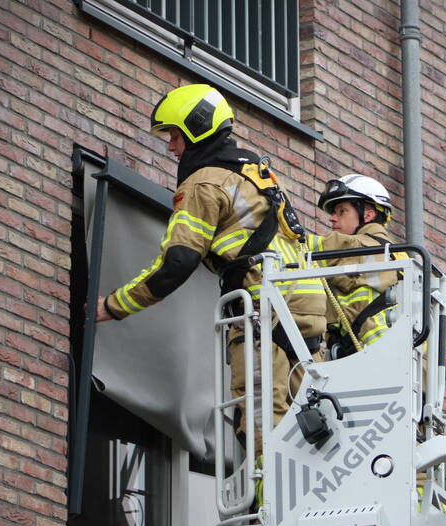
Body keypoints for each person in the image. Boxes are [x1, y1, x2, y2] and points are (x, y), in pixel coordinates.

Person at [96, 83, 326, 455]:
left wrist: (113, 306)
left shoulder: (204, 182)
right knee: (313, 417)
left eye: (174, 135)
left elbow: (177, 263)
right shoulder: (254, 172)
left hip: (262, 308)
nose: (171, 147)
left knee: (259, 413)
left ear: (196, 128)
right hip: (305, 304)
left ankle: (267, 499)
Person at [310, 174, 399, 358]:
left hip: (373, 351)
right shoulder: (398, 254)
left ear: (368, 214)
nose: (332, 219)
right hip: (388, 353)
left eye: (342, 211)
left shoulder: (358, 246)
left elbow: (304, 248)